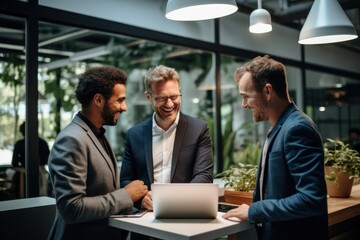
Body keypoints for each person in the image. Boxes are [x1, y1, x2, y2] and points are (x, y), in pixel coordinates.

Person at [222, 55, 328, 240]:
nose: (243, 105)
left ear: (268, 91)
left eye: (246, 96)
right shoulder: (279, 126)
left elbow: (311, 199)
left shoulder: (297, 128)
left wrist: (255, 211)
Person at [47, 66, 148, 240]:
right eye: (120, 100)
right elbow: (72, 208)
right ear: (99, 100)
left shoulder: (97, 133)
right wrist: (126, 195)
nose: (125, 108)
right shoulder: (71, 140)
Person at [120, 64, 214, 210]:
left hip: (184, 213)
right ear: (148, 97)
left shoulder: (199, 129)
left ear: (180, 92)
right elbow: (125, 180)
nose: (169, 104)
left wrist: (172, 201)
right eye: (162, 98)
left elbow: (204, 176)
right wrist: (141, 200)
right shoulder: (134, 135)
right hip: (145, 219)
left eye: (174, 96)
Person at [11, 121, 50, 197]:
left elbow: (14, 163)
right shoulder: (43, 143)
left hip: (23, 175)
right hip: (40, 174)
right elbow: (48, 159)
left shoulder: (19, 144)